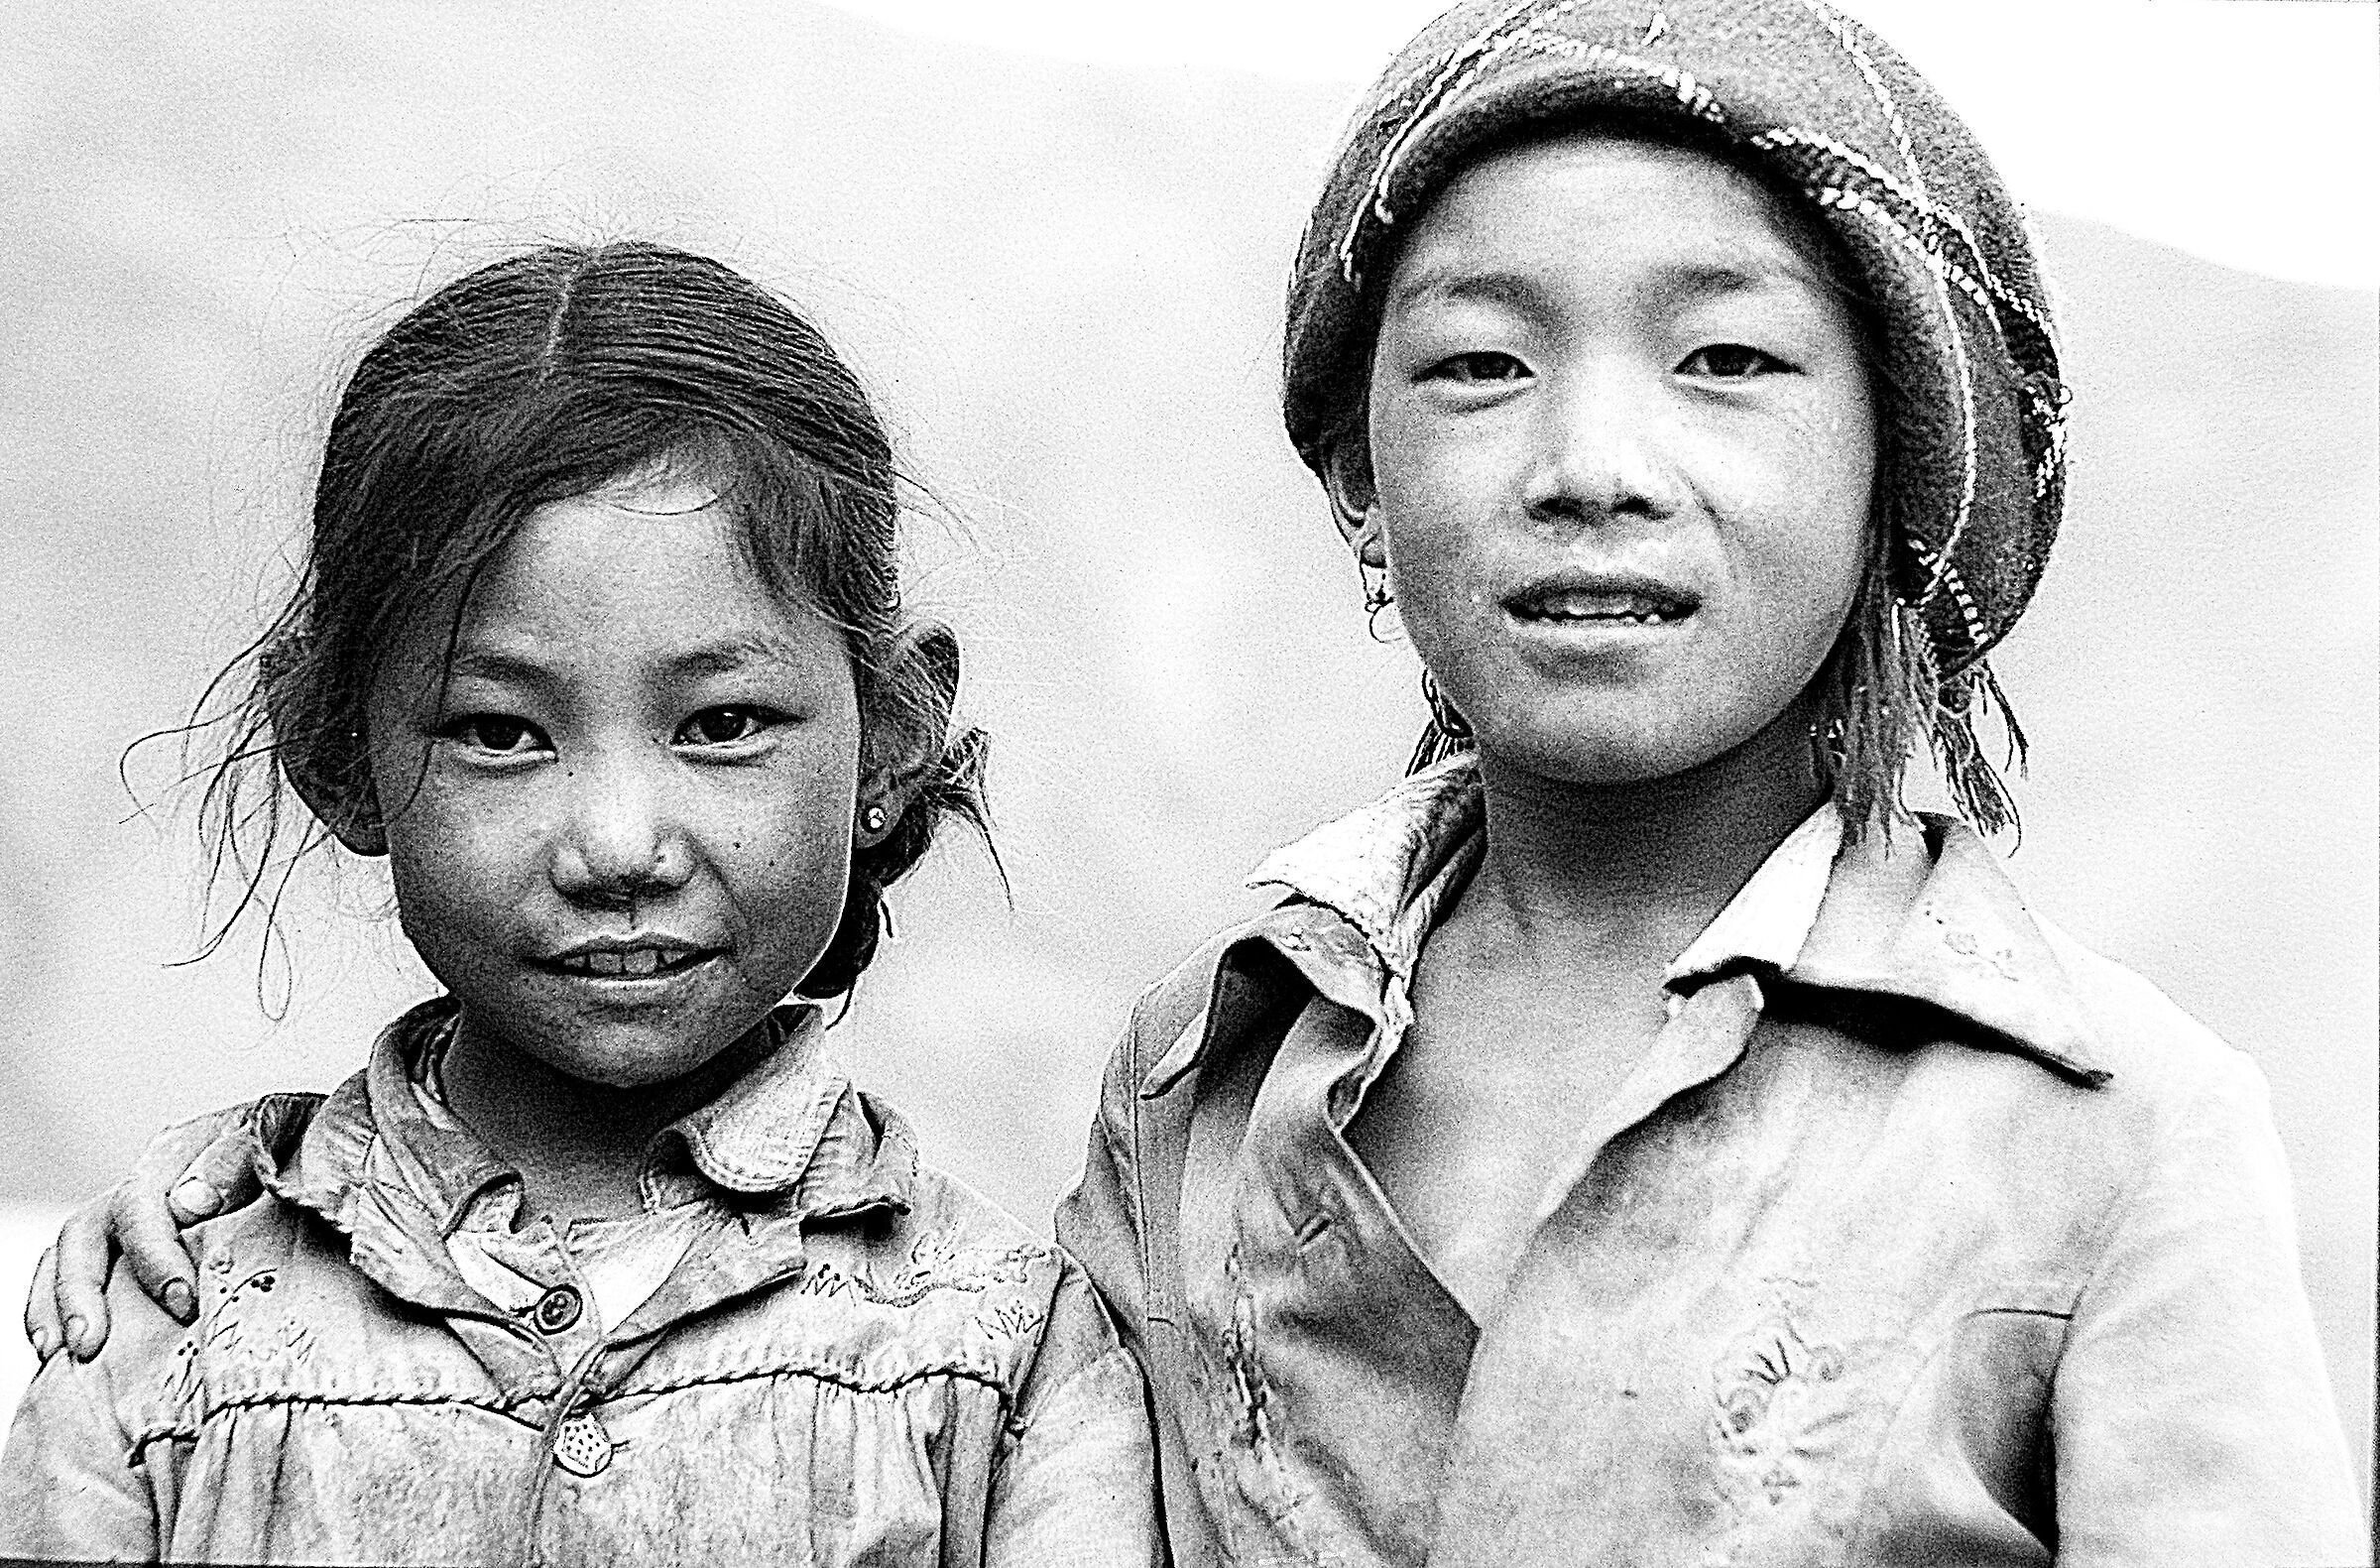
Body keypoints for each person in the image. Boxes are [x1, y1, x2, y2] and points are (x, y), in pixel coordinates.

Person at [26, 2, 2368, 1564]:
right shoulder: (1214, 1079)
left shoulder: (2106, 1130)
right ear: (1356, 479)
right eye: (1474, 368)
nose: (1590, 464)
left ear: (1905, 467)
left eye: (1729, 360)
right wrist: (241, 1224)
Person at [1, 241, 1158, 1565]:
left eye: (723, 722)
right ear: (333, 747)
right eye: (499, 733)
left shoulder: (1003, 1357)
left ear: (890, 737)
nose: (616, 844)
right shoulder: (163, 1338)